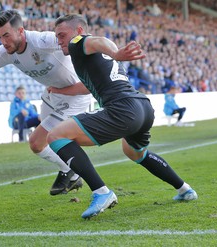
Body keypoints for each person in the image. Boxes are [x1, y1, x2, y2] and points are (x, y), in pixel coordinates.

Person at [49, 14, 198, 219]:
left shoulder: (79, 43)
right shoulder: (93, 57)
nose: (59, 41)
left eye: (62, 35)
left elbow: (100, 40)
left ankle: (101, 192)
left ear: (79, 31)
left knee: (56, 136)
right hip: (142, 107)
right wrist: (60, 91)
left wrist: (116, 51)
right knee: (135, 152)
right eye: (56, 36)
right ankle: (185, 189)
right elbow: (87, 87)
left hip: (123, 108)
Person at [0, 9, 93, 196]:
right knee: (52, 143)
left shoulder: (42, 40)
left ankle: (82, 177)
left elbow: (79, 39)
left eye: (6, 35)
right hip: (52, 95)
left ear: (21, 31)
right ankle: (70, 172)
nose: (3, 42)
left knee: (37, 143)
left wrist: (108, 55)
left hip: (74, 96)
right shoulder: (5, 51)